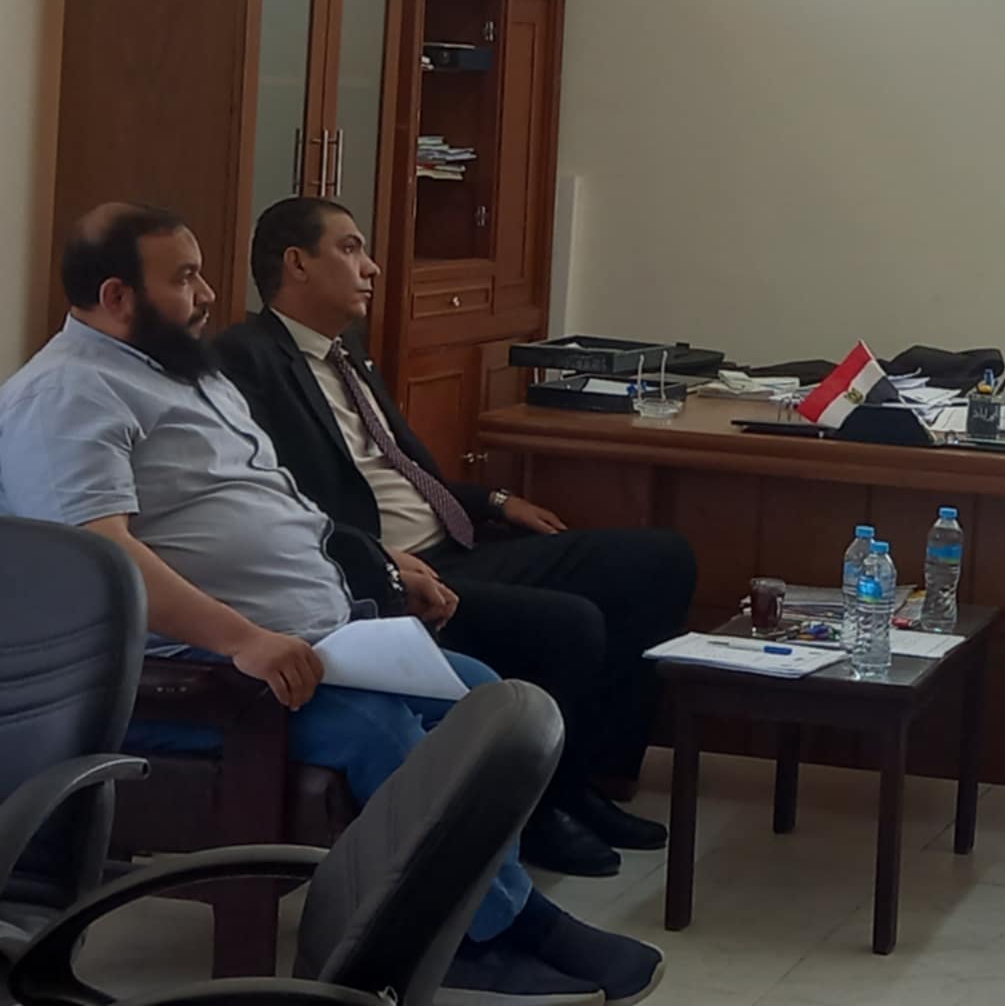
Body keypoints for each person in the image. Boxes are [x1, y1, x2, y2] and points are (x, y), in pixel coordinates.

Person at [0, 205, 662, 1003]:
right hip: (195, 675)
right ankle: (498, 933)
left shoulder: (185, 370)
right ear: (116, 295)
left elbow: (275, 505)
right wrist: (244, 639)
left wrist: (383, 564)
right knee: (378, 730)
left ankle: (461, 921)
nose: (208, 294)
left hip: (317, 641)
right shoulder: (64, 396)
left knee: (487, 704)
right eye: (185, 278)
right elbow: (105, 565)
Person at [215, 197, 696, 878]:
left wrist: (494, 499)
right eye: (350, 249)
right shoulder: (247, 361)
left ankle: (594, 776)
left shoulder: (348, 353)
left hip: (458, 542)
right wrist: (378, 558)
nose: (371, 267)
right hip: (391, 569)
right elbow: (275, 501)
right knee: (572, 623)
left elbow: (397, 468)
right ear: (297, 263)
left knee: (660, 559)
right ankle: (541, 809)